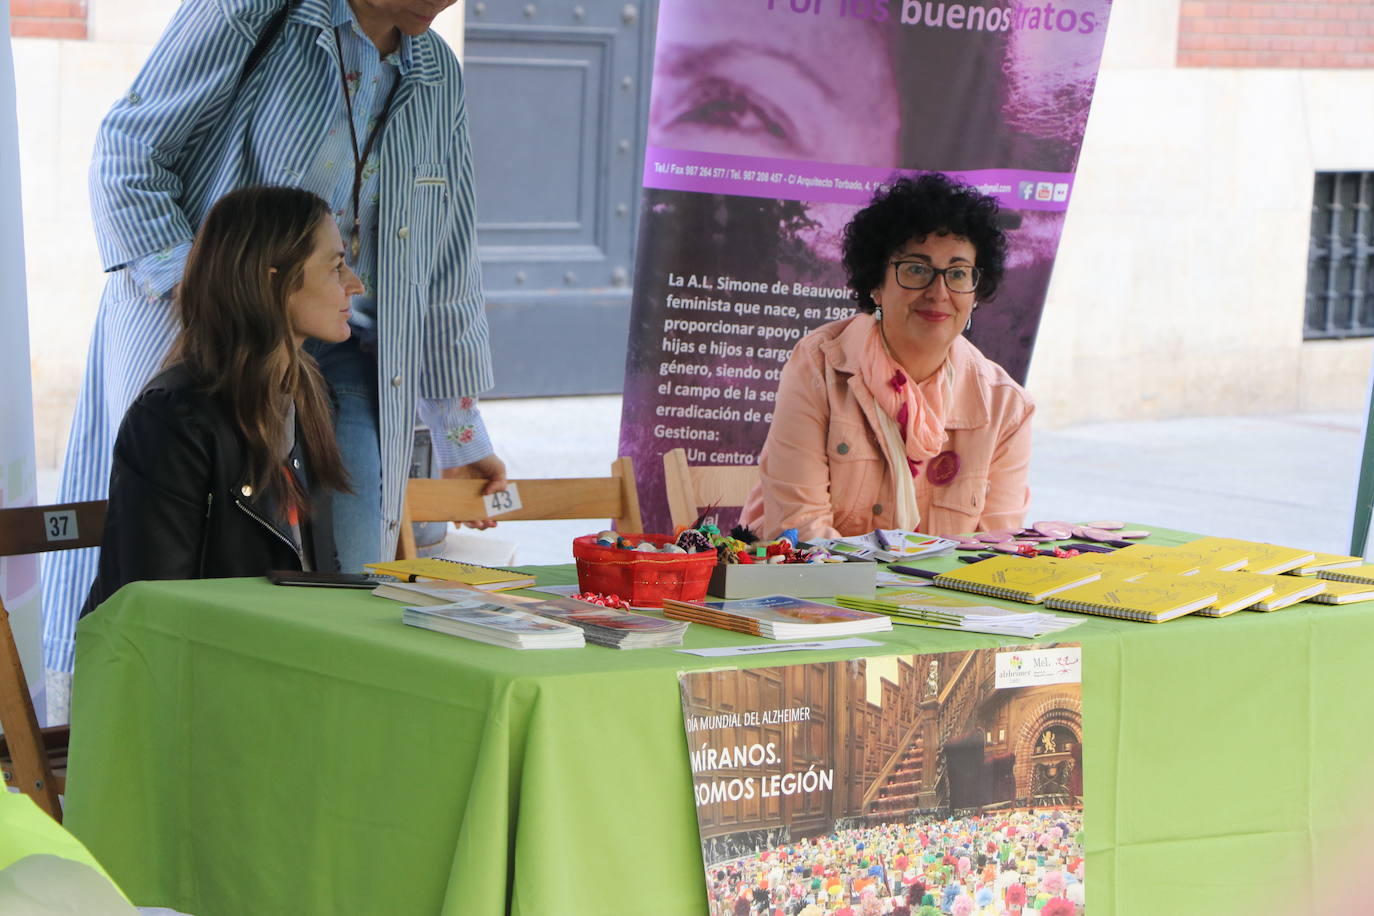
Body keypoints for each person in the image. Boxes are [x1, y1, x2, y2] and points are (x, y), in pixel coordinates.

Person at [44, 0, 505, 693]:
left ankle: (325, 735)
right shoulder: (255, 14)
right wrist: (212, 294)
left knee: (350, 581)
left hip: (347, 359)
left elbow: (445, 264)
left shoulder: (435, 70)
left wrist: (462, 434)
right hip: (213, 348)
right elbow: (129, 158)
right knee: (201, 560)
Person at [82, 186, 356, 613]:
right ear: (273, 278)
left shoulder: (309, 393)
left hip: (284, 656)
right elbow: (150, 609)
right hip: (205, 667)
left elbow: (320, 568)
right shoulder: (172, 418)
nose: (354, 285)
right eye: (336, 267)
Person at [740, 174, 1033, 541]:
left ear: (976, 292)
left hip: (936, 598)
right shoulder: (818, 366)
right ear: (876, 284)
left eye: (958, 274)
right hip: (808, 588)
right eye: (916, 269)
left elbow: (992, 553)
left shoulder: (1007, 407)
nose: (938, 292)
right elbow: (800, 531)